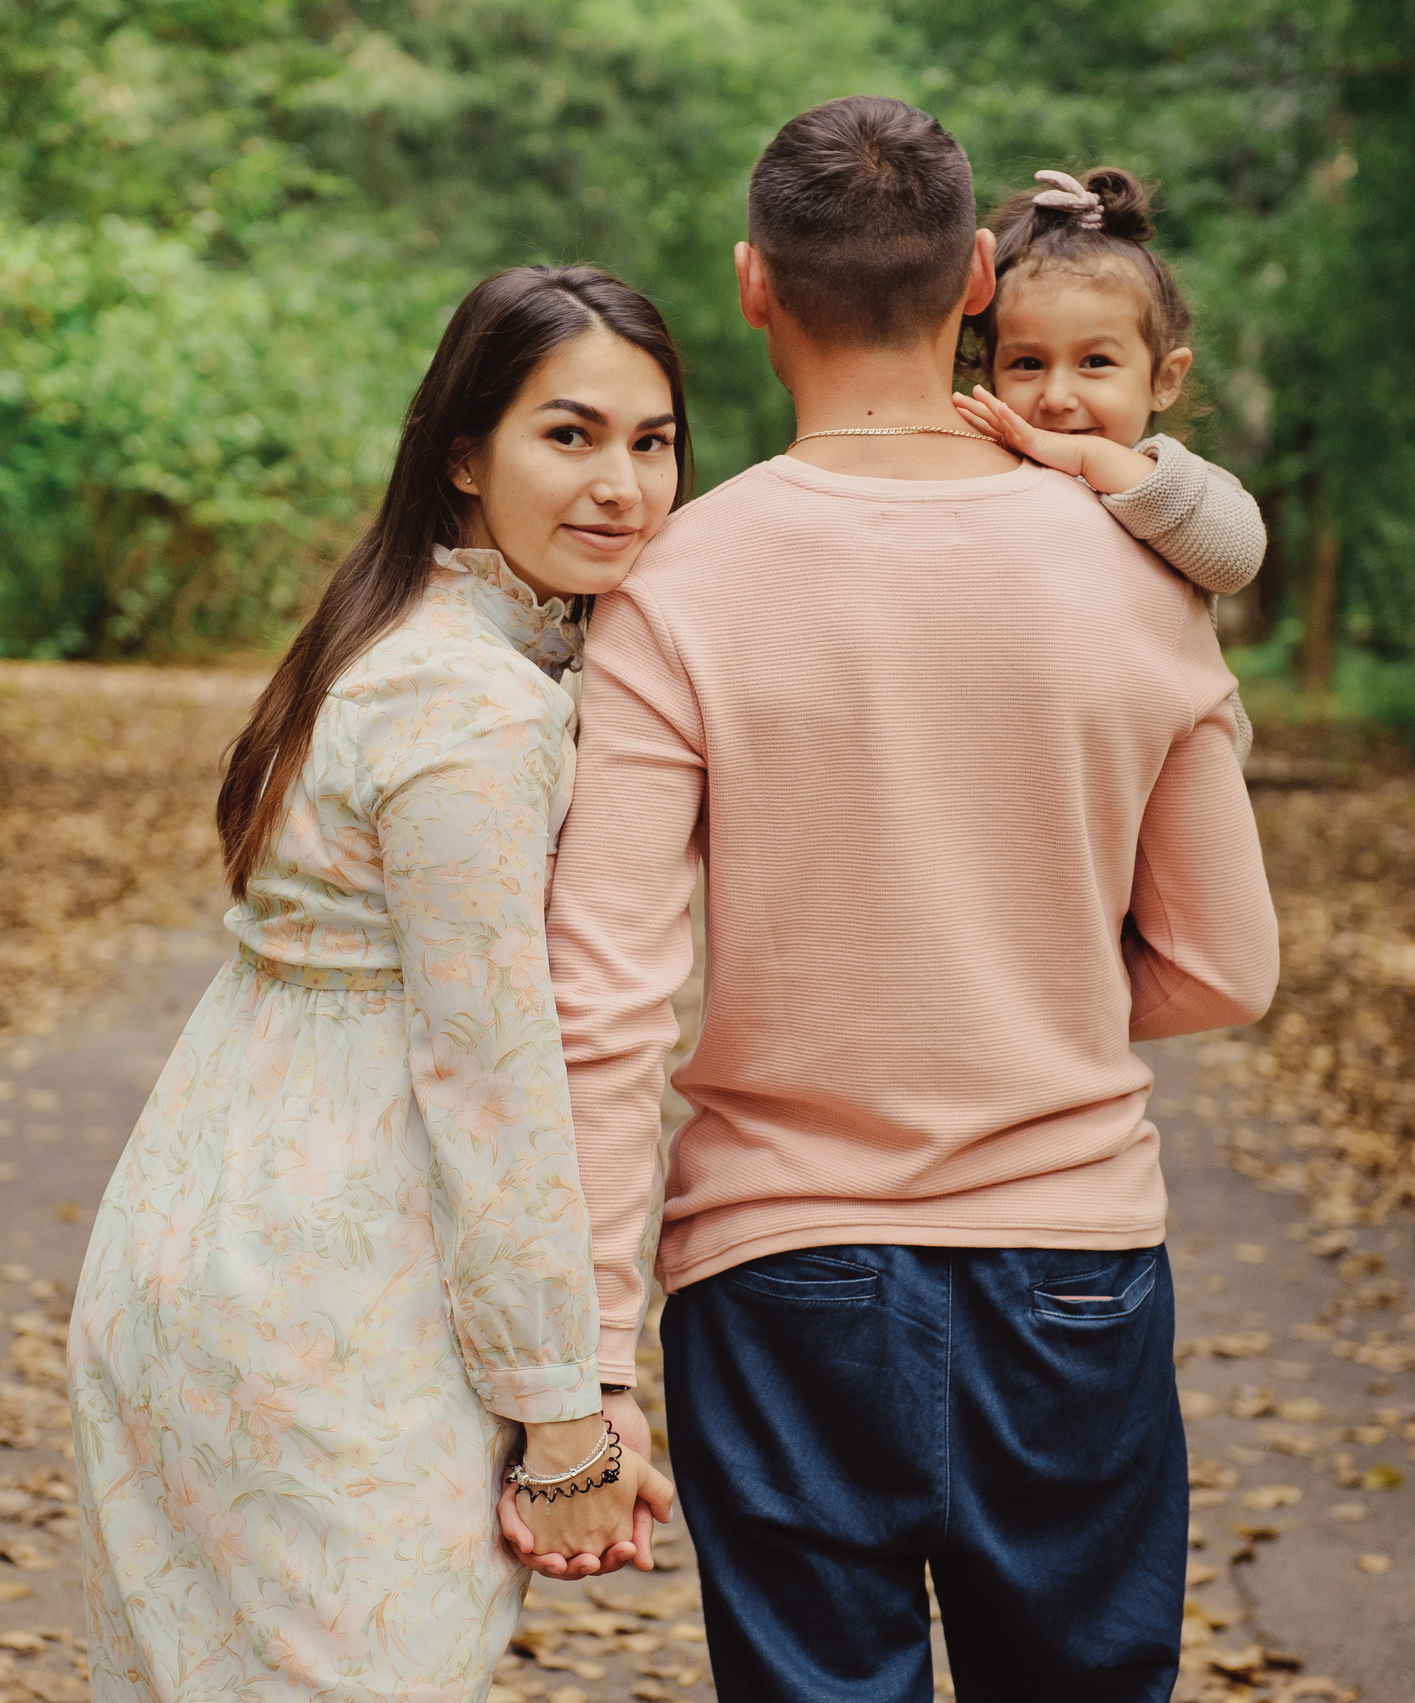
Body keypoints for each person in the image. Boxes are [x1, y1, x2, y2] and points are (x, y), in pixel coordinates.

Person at [539, 97, 1280, 1699]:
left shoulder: (672, 580)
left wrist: (589, 1364)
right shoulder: (1143, 561)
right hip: (1072, 1266)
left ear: (751, 283)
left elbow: (601, 1006)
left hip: (775, 1275)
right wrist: (1022, 979)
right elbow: (1226, 965)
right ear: (972, 284)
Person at [67, 264, 680, 1702]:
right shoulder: (473, 706)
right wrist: (566, 1413)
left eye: (653, 441)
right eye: (570, 435)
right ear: (464, 453)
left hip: (207, 1242)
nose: (623, 485)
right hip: (325, 1306)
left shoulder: (402, 633)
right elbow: (493, 1075)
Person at [951, 166, 1267, 765]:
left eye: (1095, 361)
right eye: (1026, 364)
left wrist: (1090, 457)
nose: (1058, 396)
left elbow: (1235, 555)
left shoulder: (1165, 480)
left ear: (1164, 379)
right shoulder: (983, 475)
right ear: (988, 371)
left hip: (1163, 775)